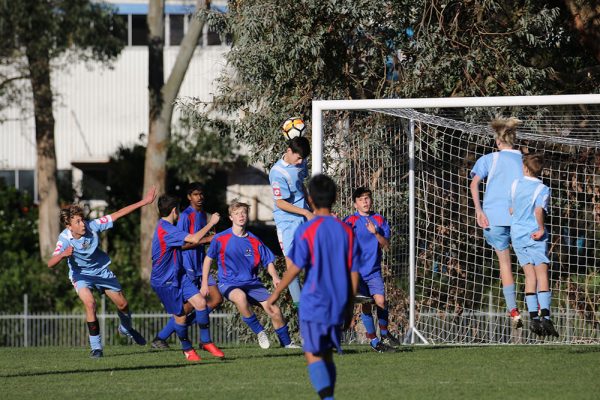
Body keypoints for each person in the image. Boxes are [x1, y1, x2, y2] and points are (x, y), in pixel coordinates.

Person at [266, 174, 360, 400]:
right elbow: (354, 271)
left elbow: (295, 268)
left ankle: (328, 398)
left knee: (312, 353)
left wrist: (276, 293)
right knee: (327, 354)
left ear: (310, 199)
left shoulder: (306, 230)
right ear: (335, 197)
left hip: (314, 300)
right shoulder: (346, 230)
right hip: (338, 300)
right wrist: (349, 305)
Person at [47, 187, 157, 358]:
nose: (82, 223)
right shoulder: (64, 239)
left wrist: (145, 201)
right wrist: (62, 255)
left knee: (123, 305)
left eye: (82, 219)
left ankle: (125, 328)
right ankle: (96, 348)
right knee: (90, 304)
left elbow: (119, 213)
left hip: (101, 271)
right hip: (81, 275)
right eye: (77, 222)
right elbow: (50, 263)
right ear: (69, 226)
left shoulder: (93, 226)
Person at [200, 200, 298, 349]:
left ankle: (287, 344)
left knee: (275, 311)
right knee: (240, 297)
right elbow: (208, 260)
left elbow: (268, 261)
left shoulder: (254, 240)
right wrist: (204, 283)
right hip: (229, 283)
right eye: (237, 213)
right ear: (231, 217)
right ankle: (259, 331)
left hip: (252, 284)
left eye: (243, 213)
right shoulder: (220, 238)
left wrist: (275, 277)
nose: (241, 216)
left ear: (247, 216)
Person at [151, 194, 224, 362]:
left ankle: (206, 341)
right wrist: (212, 223)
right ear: (175, 211)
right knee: (181, 317)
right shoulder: (166, 229)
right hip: (164, 281)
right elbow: (194, 238)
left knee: (200, 303)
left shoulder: (167, 227)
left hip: (179, 275)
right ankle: (187, 349)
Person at [469, 117, 524, 328]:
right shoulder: (523, 160)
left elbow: (474, 185)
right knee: (528, 264)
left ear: (498, 142)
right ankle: (538, 311)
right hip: (520, 217)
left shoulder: (489, 159)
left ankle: (514, 311)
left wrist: (478, 210)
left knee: (504, 263)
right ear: (514, 140)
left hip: (492, 218)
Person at [343, 187, 400, 352]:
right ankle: (374, 342)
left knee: (381, 302)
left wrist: (375, 233)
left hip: (373, 271)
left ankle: (384, 334)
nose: (365, 202)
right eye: (361, 199)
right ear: (355, 204)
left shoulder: (379, 220)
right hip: (356, 273)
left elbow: (387, 245)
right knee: (366, 305)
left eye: (367, 198)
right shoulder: (350, 221)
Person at [509, 154, 559, 338]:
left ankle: (533, 319)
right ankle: (545, 316)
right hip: (534, 234)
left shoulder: (514, 185)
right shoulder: (542, 189)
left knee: (529, 275)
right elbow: (538, 210)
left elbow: (512, 209)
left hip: (517, 236)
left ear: (525, 168)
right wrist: (541, 227)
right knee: (542, 274)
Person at [269, 136, 313, 306]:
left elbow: (301, 185)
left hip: (305, 215)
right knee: (292, 265)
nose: (301, 161)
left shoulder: (302, 162)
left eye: (303, 158)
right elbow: (280, 203)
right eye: (298, 158)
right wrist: (305, 212)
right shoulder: (277, 172)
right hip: (287, 221)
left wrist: (313, 209)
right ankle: (299, 306)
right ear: (288, 151)